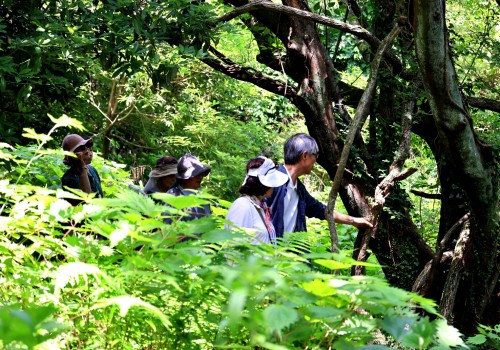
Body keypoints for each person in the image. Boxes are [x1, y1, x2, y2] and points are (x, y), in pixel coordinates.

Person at [265, 133, 372, 238]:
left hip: (285, 252)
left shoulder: (299, 189)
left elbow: (321, 210)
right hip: (266, 251)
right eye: (316, 155)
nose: (316, 160)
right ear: (305, 156)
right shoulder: (272, 180)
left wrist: (353, 220)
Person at [225, 156, 288, 245]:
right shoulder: (242, 207)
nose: (274, 186)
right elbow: (234, 248)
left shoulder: (258, 205)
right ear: (264, 184)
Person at [166, 153, 211, 222]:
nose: (200, 177)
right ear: (184, 178)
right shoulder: (172, 197)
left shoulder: (203, 198)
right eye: (196, 174)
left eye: (201, 173)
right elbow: (167, 228)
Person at [61, 134, 103, 206]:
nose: (88, 151)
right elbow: (87, 201)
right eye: (82, 148)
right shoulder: (68, 178)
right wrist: (82, 168)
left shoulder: (92, 169)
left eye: (87, 146)